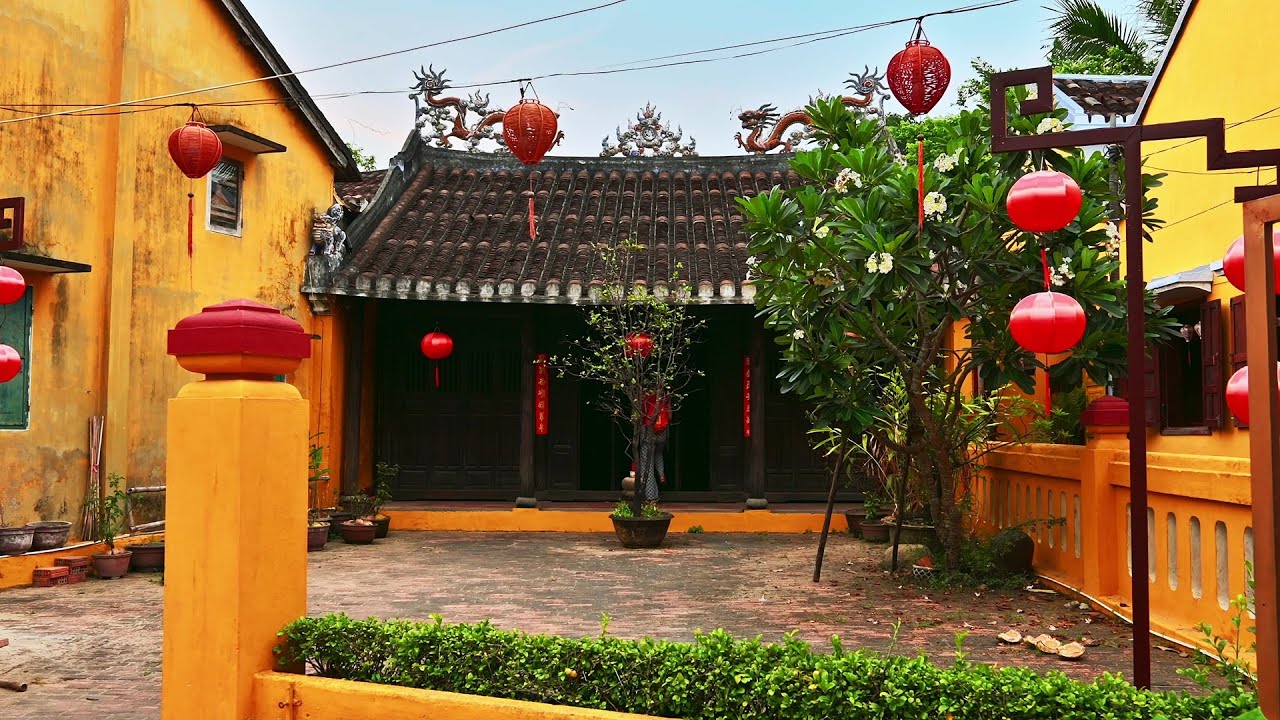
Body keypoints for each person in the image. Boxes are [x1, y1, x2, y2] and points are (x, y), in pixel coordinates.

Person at [638, 391, 671, 502]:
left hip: (649, 431)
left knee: (647, 463)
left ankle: (651, 497)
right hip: (662, 432)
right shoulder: (665, 395)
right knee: (658, 453)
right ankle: (661, 474)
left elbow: (640, 415)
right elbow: (670, 416)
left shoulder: (645, 395)